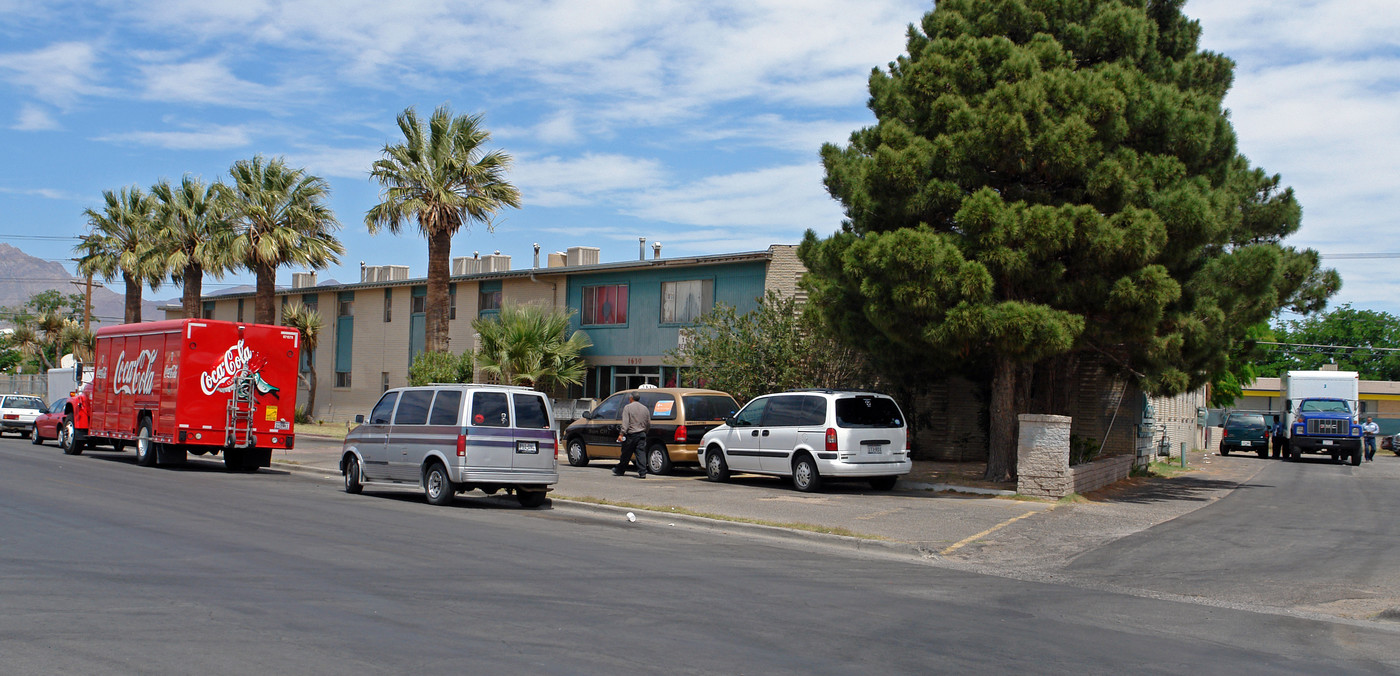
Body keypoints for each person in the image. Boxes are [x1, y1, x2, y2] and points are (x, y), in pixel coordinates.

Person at [614, 392, 651, 478]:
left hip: (631, 434)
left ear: (631, 398)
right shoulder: (645, 408)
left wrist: (621, 434)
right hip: (641, 434)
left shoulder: (628, 408)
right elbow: (648, 423)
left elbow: (625, 423)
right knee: (640, 453)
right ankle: (642, 472)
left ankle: (620, 470)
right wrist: (646, 431)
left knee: (626, 453)